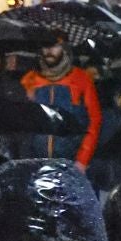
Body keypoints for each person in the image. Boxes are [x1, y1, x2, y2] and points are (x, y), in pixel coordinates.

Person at [20, 36, 102, 168]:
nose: (49, 50)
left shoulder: (82, 80)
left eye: (54, 46)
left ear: (65, 49)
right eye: (45, 46)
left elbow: (94, 121)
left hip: (70, 165)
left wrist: (82, 161)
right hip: (35, 165)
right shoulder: (29, 80)